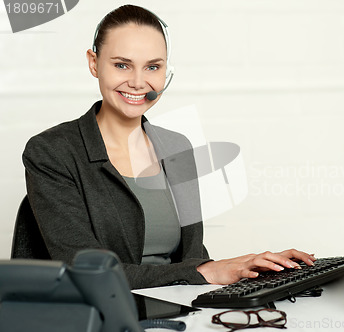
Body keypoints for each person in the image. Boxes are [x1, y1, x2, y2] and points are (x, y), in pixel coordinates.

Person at [22, 4, 315, 290]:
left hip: (178, 312)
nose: (138, 82)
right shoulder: (52, 152)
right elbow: (86, 272)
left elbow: (192, 259)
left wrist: (252, 269)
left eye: (152, 67)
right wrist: (202, 270)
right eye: (122, 65)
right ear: (93, 63)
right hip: (101, 315)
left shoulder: (176, 147)